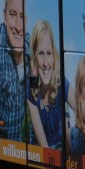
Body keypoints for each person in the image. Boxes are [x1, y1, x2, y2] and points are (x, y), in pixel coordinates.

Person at [26, 19, 69, 150]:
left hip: (59, 147)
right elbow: (44, 147)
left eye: (49, 53)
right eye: (40, 53)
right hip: (41, 150)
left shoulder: (59, 80)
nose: (45, 63)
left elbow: (81, 105)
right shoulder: (31, 84)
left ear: (53, 54)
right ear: (34, 55)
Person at [0, 0, 26, 142]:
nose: (18, 26)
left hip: (18, 149)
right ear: (4, 16)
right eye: (13, 15)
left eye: (21, 16)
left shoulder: (30, 44)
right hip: (1, 145)